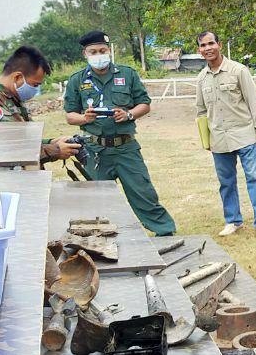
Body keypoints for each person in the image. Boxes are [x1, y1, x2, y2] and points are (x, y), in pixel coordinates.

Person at [64, 31, 176, 235]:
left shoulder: (127, 74)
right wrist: (84, 118)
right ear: (85, 54)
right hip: (95, 150)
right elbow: (70, 115)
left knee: (143, 192)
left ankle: (165, 232)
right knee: (97, 200)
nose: (99, 55)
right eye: (94, 51)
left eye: (103, 51)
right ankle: (100, 239)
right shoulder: (76, 80)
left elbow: (145, 104)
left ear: (109, 51)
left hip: (126, 148)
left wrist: (129, 115)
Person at [195, 30, 256, 238]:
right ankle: (232, 220)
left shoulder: (238, 71)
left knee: (255, 178)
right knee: (226, 182)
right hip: (218, 139)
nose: (208, 48)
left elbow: (255, 105)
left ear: (219, 45)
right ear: (199, 50)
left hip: (244, 134)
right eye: (203, 45)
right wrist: (206, 138)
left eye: (211, 43)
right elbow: (201, 111)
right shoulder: (201, 78)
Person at [0, 45, 81, 165]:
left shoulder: (11, 98)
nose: (36, 90)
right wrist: (56, 150)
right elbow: (13, 147)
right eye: (35, 85)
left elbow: (24, 140)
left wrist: (52, 142)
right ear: (17, 77)